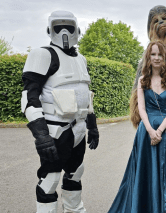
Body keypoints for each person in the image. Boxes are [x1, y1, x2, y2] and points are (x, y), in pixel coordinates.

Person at [21, 10, 99, 213]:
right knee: (50, 178)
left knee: (75, 173)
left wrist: (93, 126)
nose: (64, 32)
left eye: (69, 27)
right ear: (50, 29)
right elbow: (29, 98)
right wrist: (41, 135)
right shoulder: (43, 54)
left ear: (77, 30)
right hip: (56, 131)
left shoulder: (81, 59)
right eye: (58, 27)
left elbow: (85, 95)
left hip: (79, 131)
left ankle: (74, 209)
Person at [108, 40, 166, 213]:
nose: (156, 58)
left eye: (160, 55)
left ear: (165, 57)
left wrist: (160, 131)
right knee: (145, 171)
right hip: (146, 131)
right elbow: (141, 108)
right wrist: (150, 130)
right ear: (148, 57)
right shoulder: (143, 80)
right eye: (153, 54)